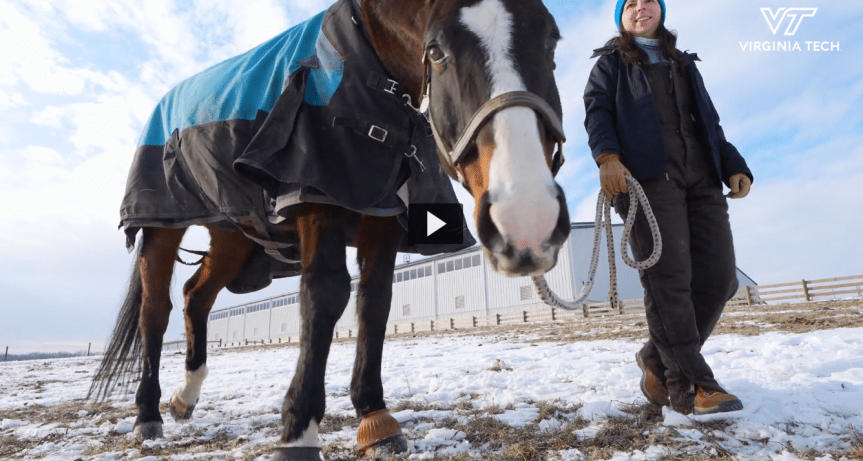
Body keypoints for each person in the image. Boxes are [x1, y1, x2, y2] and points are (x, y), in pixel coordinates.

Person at [583, 0, 753, 415]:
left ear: (660, 11)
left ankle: (657, 359)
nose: (641, 8)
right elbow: (597, 112)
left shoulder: (684, 63)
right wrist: (607, 156)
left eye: (648, 2)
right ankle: (692, 386)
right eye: (631, 5)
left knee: (719, 278)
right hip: (645, 180)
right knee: (669, 281)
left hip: (702, 178)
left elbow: (709, 123)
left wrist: (733, 164)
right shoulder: (610, 64)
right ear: (621, 18)